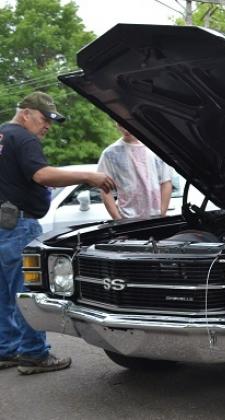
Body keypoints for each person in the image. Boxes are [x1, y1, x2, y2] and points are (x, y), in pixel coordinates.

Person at [0, 92, 115, 374]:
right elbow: (42, 175)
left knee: (3, 292)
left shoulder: (3, 135)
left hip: (4, 224)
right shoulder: (23, 137)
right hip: (18, 224)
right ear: (25, 113)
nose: (47, 126)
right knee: (26, 290)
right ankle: (33, 354)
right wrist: (88, 176)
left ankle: (6, 349)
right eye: (44, 119)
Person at [97, 123, 173, 220]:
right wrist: (117, 218)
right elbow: (104, 188)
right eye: (121, 125)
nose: (125, 129)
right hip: (127, 218)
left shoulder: (155, 148)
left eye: (128, 124)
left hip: (156, 217)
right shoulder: (110, 153)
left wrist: (162, 212)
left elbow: (166, 181)